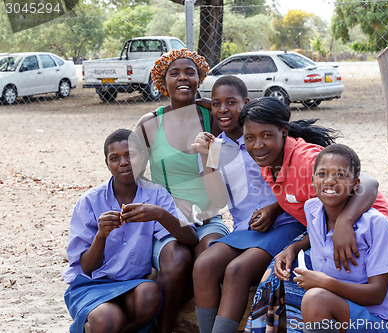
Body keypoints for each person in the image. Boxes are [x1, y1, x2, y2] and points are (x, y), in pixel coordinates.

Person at [237, 97, 388, 331]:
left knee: (311, 291)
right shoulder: (275, 168)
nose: (258, 144)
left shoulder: (307, 160)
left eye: (266, 135)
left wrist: (345, 222)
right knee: (285, 274)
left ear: (283, 132)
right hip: (331, 231)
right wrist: (282, 223)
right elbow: (302, 201)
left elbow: (367, 182)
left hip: (361, 228)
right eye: (249, 138)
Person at [191, 76, 306, 333]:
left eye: (231, 102)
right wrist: (207, 159)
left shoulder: (264, 139)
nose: (223, 109)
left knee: (237, 270)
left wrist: (274, 208)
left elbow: (297, 184)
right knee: (204, 266)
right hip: (245, 228)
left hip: (285, 222)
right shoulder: (214, 147)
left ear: (246, 103)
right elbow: (217, 200)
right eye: (217, 103)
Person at [62, 129, 198, 333]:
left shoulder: (156, 195)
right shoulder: (90, 202)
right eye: (115, 158)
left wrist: (160, 214)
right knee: (109, 318)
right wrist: (101, 235)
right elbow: (87, 268)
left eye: (131, 155)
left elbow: (191, 239)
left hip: (133, 285)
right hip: (93, 285)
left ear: (142, 157)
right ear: (107, 164)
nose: (123, 162)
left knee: (151, 293)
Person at [134, 48, 230, 332]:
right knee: (176, 260)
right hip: (167, 219)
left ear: (200, 78)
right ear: (163, 83)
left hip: (209, 216)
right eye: (174, 73)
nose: (183, 78)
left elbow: (219, 169)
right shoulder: (149, 124)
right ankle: (164, 327)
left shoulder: (211, 117)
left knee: (209, 255)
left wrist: (208, 153)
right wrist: (166, 206)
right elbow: (134, 178)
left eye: (190, 72)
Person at [278, 144, 388, 333]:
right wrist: (293, 248)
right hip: (338, 313)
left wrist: (325, 282)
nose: (329, 181)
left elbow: (377, 295)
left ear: (355, 184)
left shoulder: (375, 224)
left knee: (315, 298)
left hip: (378, 323)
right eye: (322, 174)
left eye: (340, 175)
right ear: (312, 181)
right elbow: (319, 238)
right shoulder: (313, 210)